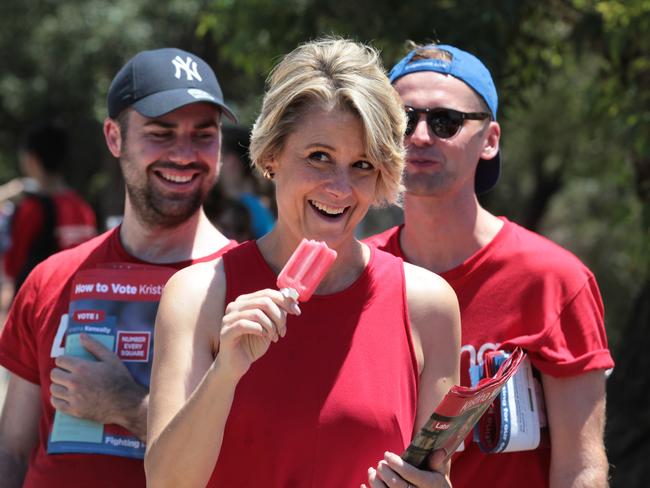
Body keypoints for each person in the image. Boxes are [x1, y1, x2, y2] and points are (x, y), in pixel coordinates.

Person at [145, 38, 461, 488]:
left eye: (363, 165)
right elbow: (166, 483)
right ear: (272, 155)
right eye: (319, 157)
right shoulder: (198, 295)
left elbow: (431, 475)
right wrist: (225, 374)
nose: (339, 187)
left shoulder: (428, 307)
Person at [365, 43, 614, 487]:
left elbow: (581, 466)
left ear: (490, 140)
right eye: (403, 120)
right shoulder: (357, 271)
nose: (420, 136)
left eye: (445, 122)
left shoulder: (554, 280)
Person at [0, 47, 238, 488]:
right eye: (161, 133)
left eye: (203, 135)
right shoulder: (51, 278)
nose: (184, 155)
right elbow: (12, 449)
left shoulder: (250, 286)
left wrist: (128, 407)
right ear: (114, 137)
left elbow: (257, 457)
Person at [4, 122, 97, 295]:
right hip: (78, 302)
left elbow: (12, 267)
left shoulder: (31, 209)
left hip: (40, 306)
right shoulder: (83, 207)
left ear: (31, 159)